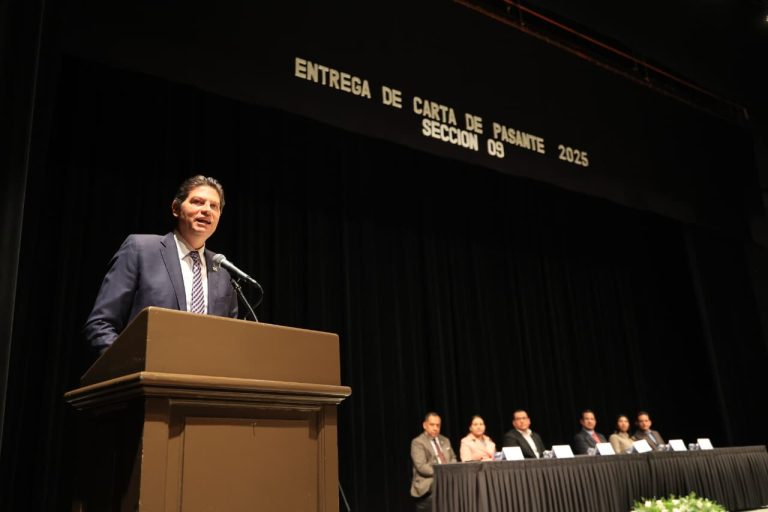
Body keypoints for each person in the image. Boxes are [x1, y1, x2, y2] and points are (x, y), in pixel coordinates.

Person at [84, 175, 239, 353]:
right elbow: (100, 324)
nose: (207, 210)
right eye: (198, 202)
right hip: (148, 374)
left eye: (214, 206)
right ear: (176, 208)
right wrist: (133, 364)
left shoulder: (223, 270)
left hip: (204, 378)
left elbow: (229, 339)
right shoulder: (141, 250)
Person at [410, 411, 457, 511]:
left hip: (446, 481)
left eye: (438, 425)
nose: (435, 428)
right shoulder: (418, 442)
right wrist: (443, 473)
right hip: (429, 484)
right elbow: (422, 467)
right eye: (432, 425)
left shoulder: (445, 440)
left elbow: (453, 458)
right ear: (424, 425)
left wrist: (450, 470)